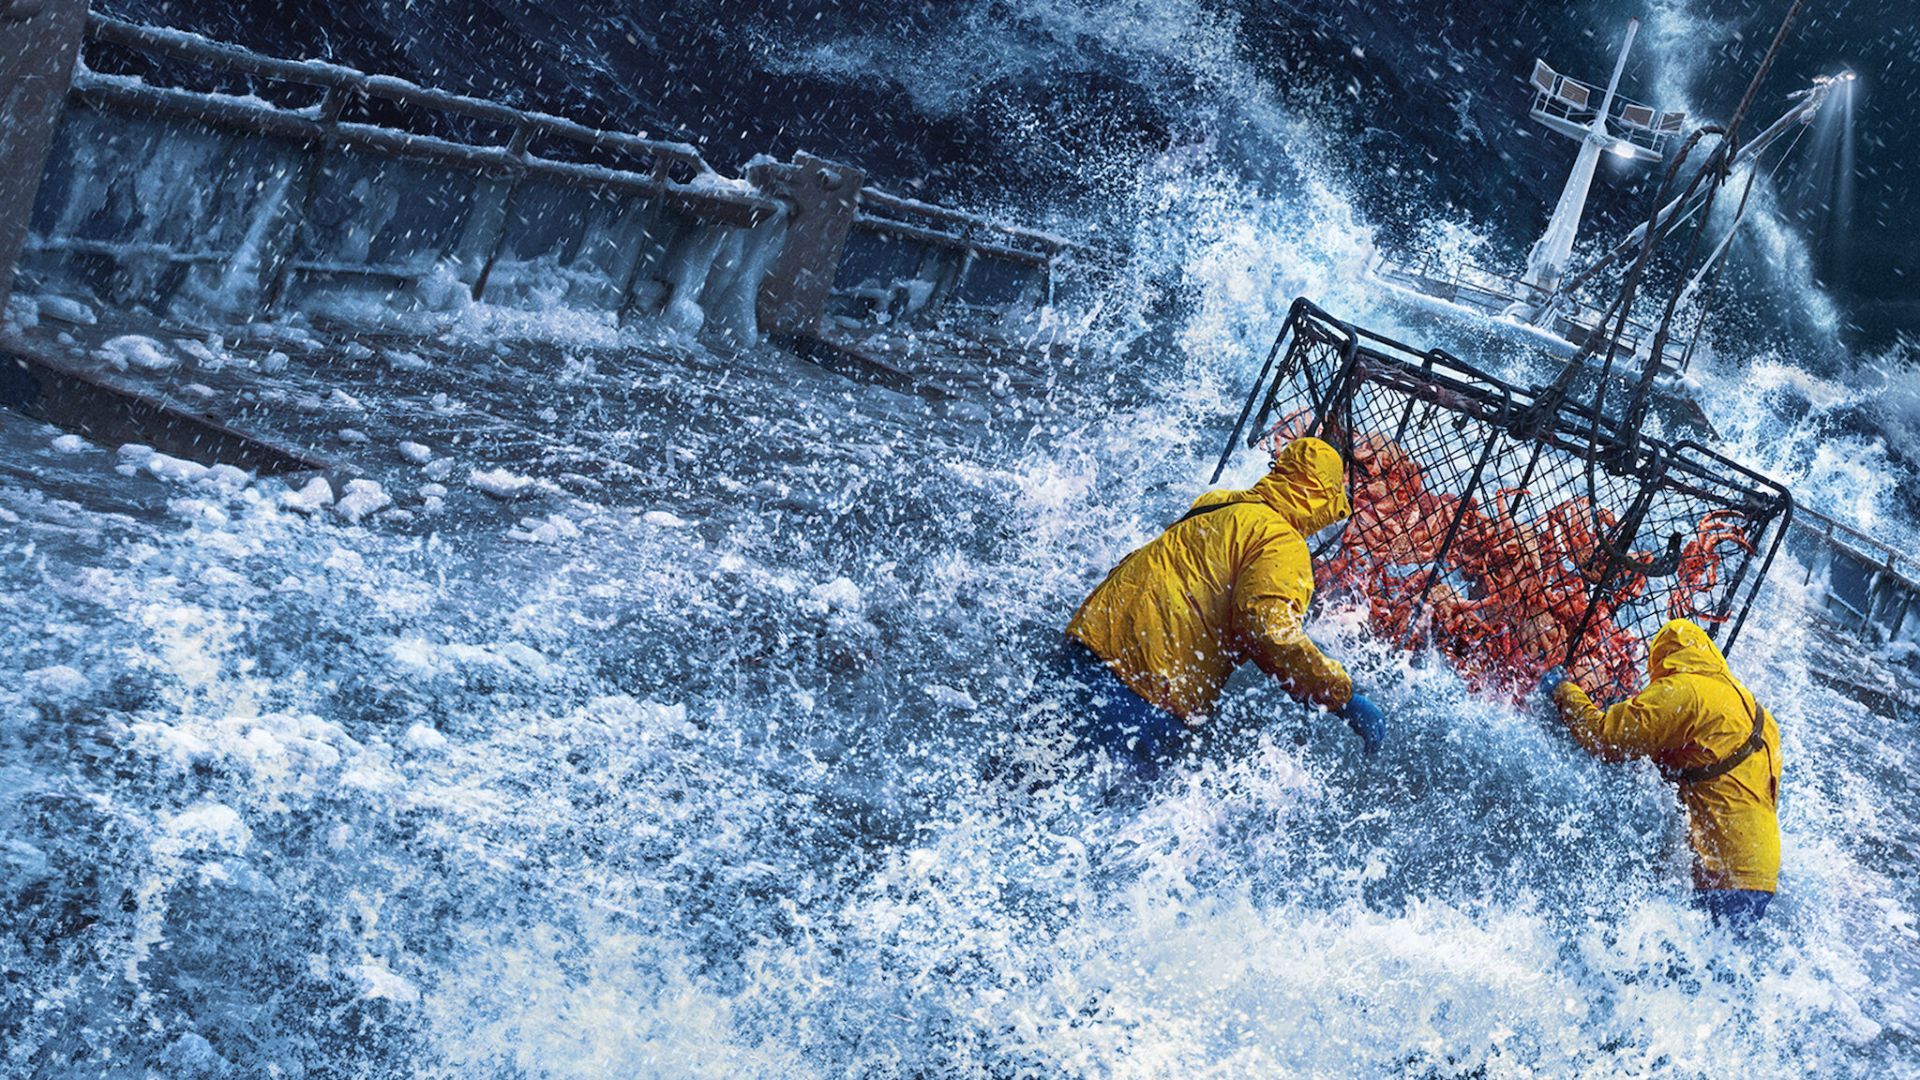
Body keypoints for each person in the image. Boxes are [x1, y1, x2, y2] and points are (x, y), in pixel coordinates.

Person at [1059, 436, 1385, 779]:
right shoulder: (1282, 542)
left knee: (1023, 775)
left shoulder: (1218, 504)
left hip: (1089, 641)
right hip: (1146, 686)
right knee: (1117, 810)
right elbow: (1267, 629)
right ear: (1324, 500)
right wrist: (1340, 698)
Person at [1541, 618, 1782, 932]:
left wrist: (1562, 690)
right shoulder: (1755, 711)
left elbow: (1605, 739)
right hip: (1761, 868)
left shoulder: (1682, 690)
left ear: (1664, 659)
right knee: (1718, 965)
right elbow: (1708, 768)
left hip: (1723, 871)